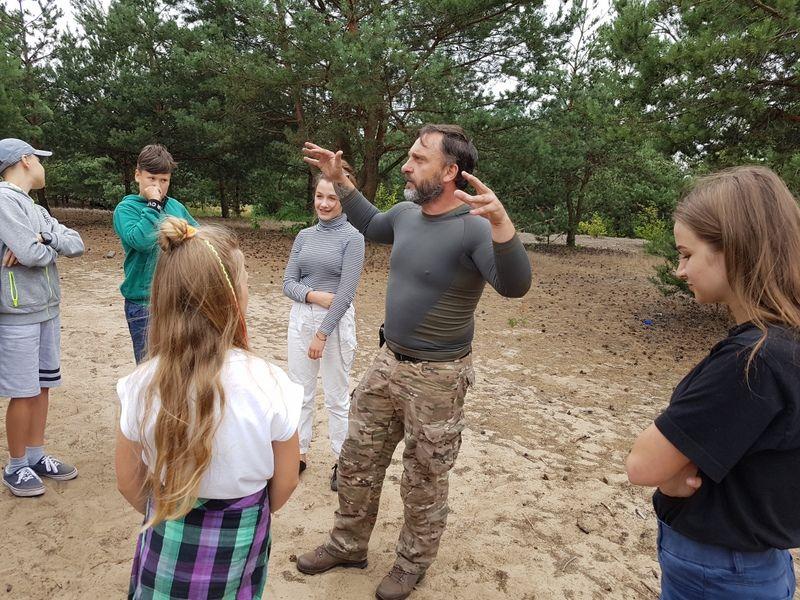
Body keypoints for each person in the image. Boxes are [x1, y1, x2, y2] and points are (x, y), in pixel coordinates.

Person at [296, 124, 532, 600]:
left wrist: (502, 225)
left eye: (419, 159)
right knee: (358, 459)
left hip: (439, 375)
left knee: (424, 477)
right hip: (388, 361)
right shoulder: (406, 214)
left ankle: (411, 563)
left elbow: (515, 285)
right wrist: (339, 179)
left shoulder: (473, 227)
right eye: (409, 156)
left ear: (449, 171)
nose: (406, 166)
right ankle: (347, 544)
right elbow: (371, 223)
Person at [626, 166, 800, 599]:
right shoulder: (788, 343)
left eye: (687, 254)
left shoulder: (752, 361)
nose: (680, 270)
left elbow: (643, 465)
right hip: (759, 561)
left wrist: (670, 480)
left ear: (734, 249)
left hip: (721, 571)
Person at [115, 217, 302, 599]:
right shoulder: (271, 384)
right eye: (245, 280)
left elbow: (128, 482)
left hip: (165, 534)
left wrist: (166, 510)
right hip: (240, 539)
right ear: (233, 298)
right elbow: (285, 482)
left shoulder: (140, 385)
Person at [0, 138, 85, 497]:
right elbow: (31, 254)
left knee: (43, 385)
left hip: (47, 310)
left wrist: (44, 237)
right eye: (39, 159)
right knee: (23, 392)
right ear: (25, 160)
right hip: (17, 314)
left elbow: (76, 243)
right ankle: (16, 465)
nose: (42, 166)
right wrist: (43, 245)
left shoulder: (34, 208)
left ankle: (35, 456)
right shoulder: (4, 201)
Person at [283, 164, 364, 491]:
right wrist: (313, 295)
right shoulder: (304, 236)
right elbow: (288, 283)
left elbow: (345, 294)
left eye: (332, 197)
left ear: (344, 199)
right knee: (299, 392)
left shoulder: (353, 238)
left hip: (335, 324)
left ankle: (342, 460)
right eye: (319, 196)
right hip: (301, 318)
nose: (325, 203)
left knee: (335, 397)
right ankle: (299, 453)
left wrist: (322, 334)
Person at [113, 144, 198, 363]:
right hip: (144, 304)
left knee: (180, 365)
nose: (158, 186)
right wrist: (154, 204)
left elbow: (199, 239)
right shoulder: (126, 209)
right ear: (137, 175)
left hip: (178, 301)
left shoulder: (176, 207)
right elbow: (141, 241)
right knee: (149, 368)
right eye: (152, 179)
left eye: (164, 180)